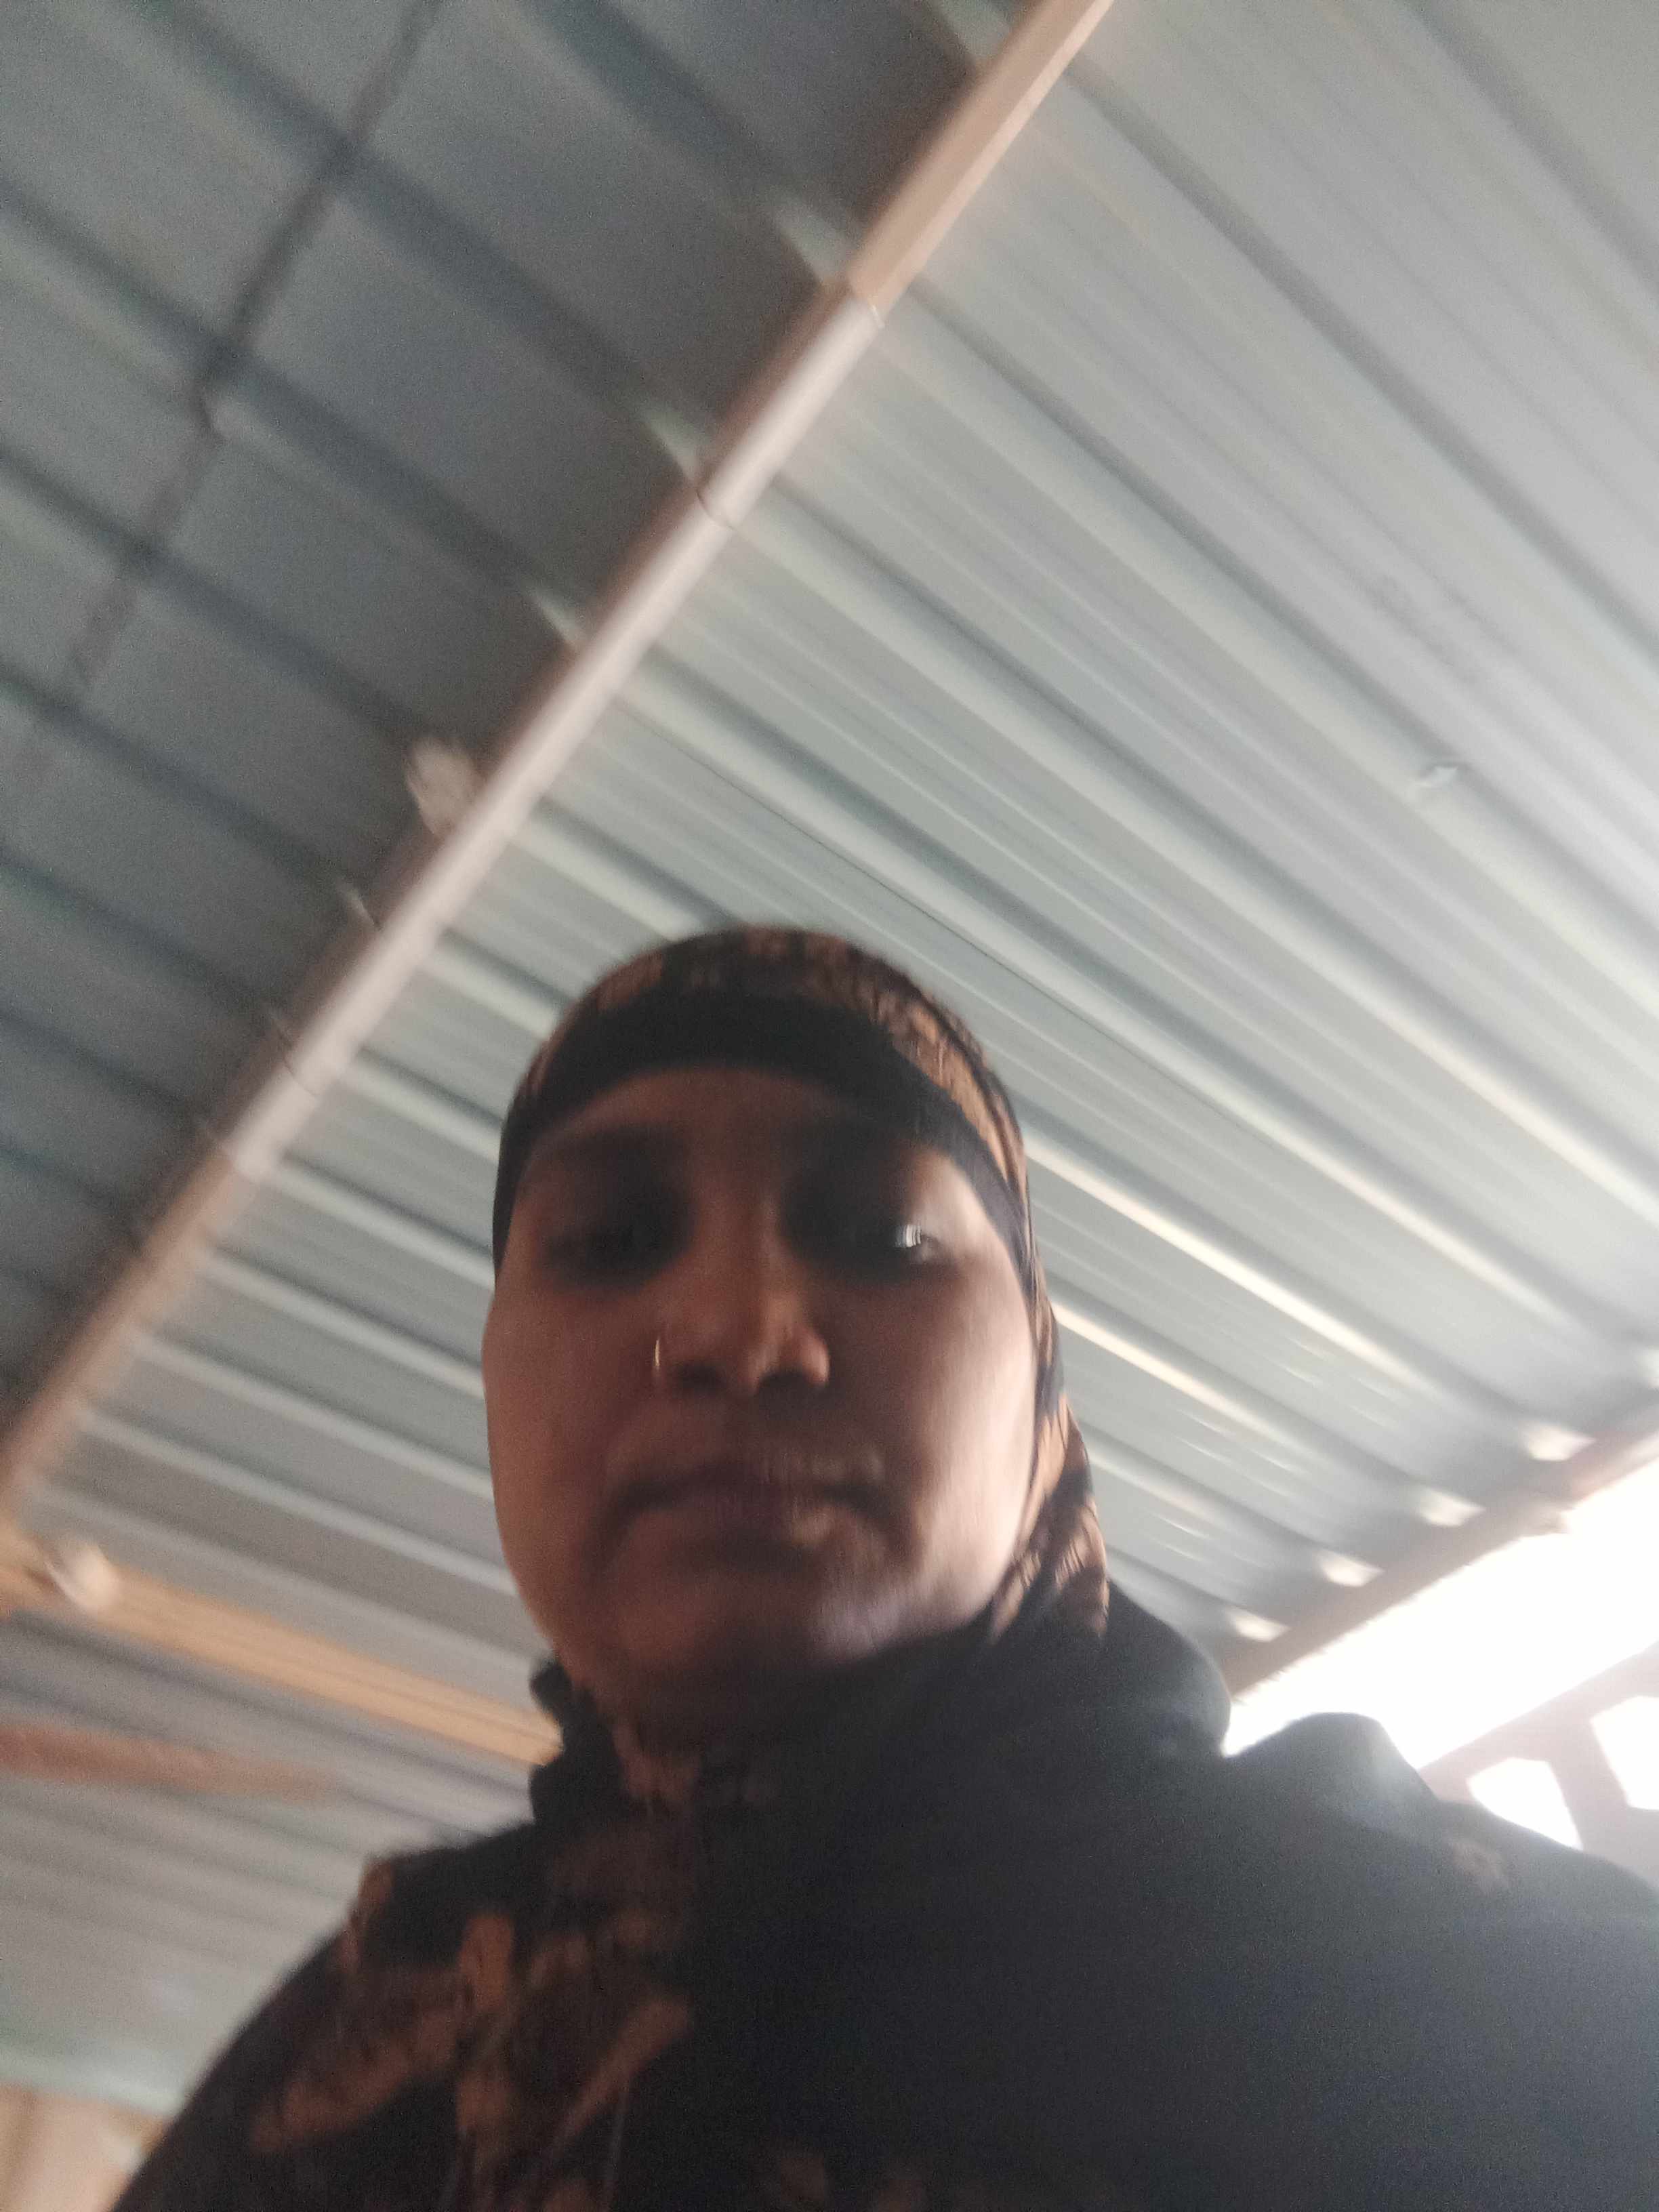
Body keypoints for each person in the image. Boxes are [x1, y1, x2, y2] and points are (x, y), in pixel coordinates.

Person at [117, 929, 1658, 2211]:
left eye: (881, 1235)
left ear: (1038, 1385)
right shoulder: (352, 2040)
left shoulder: (1496, 1999)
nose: (737, 1332)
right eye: (609, 1239)